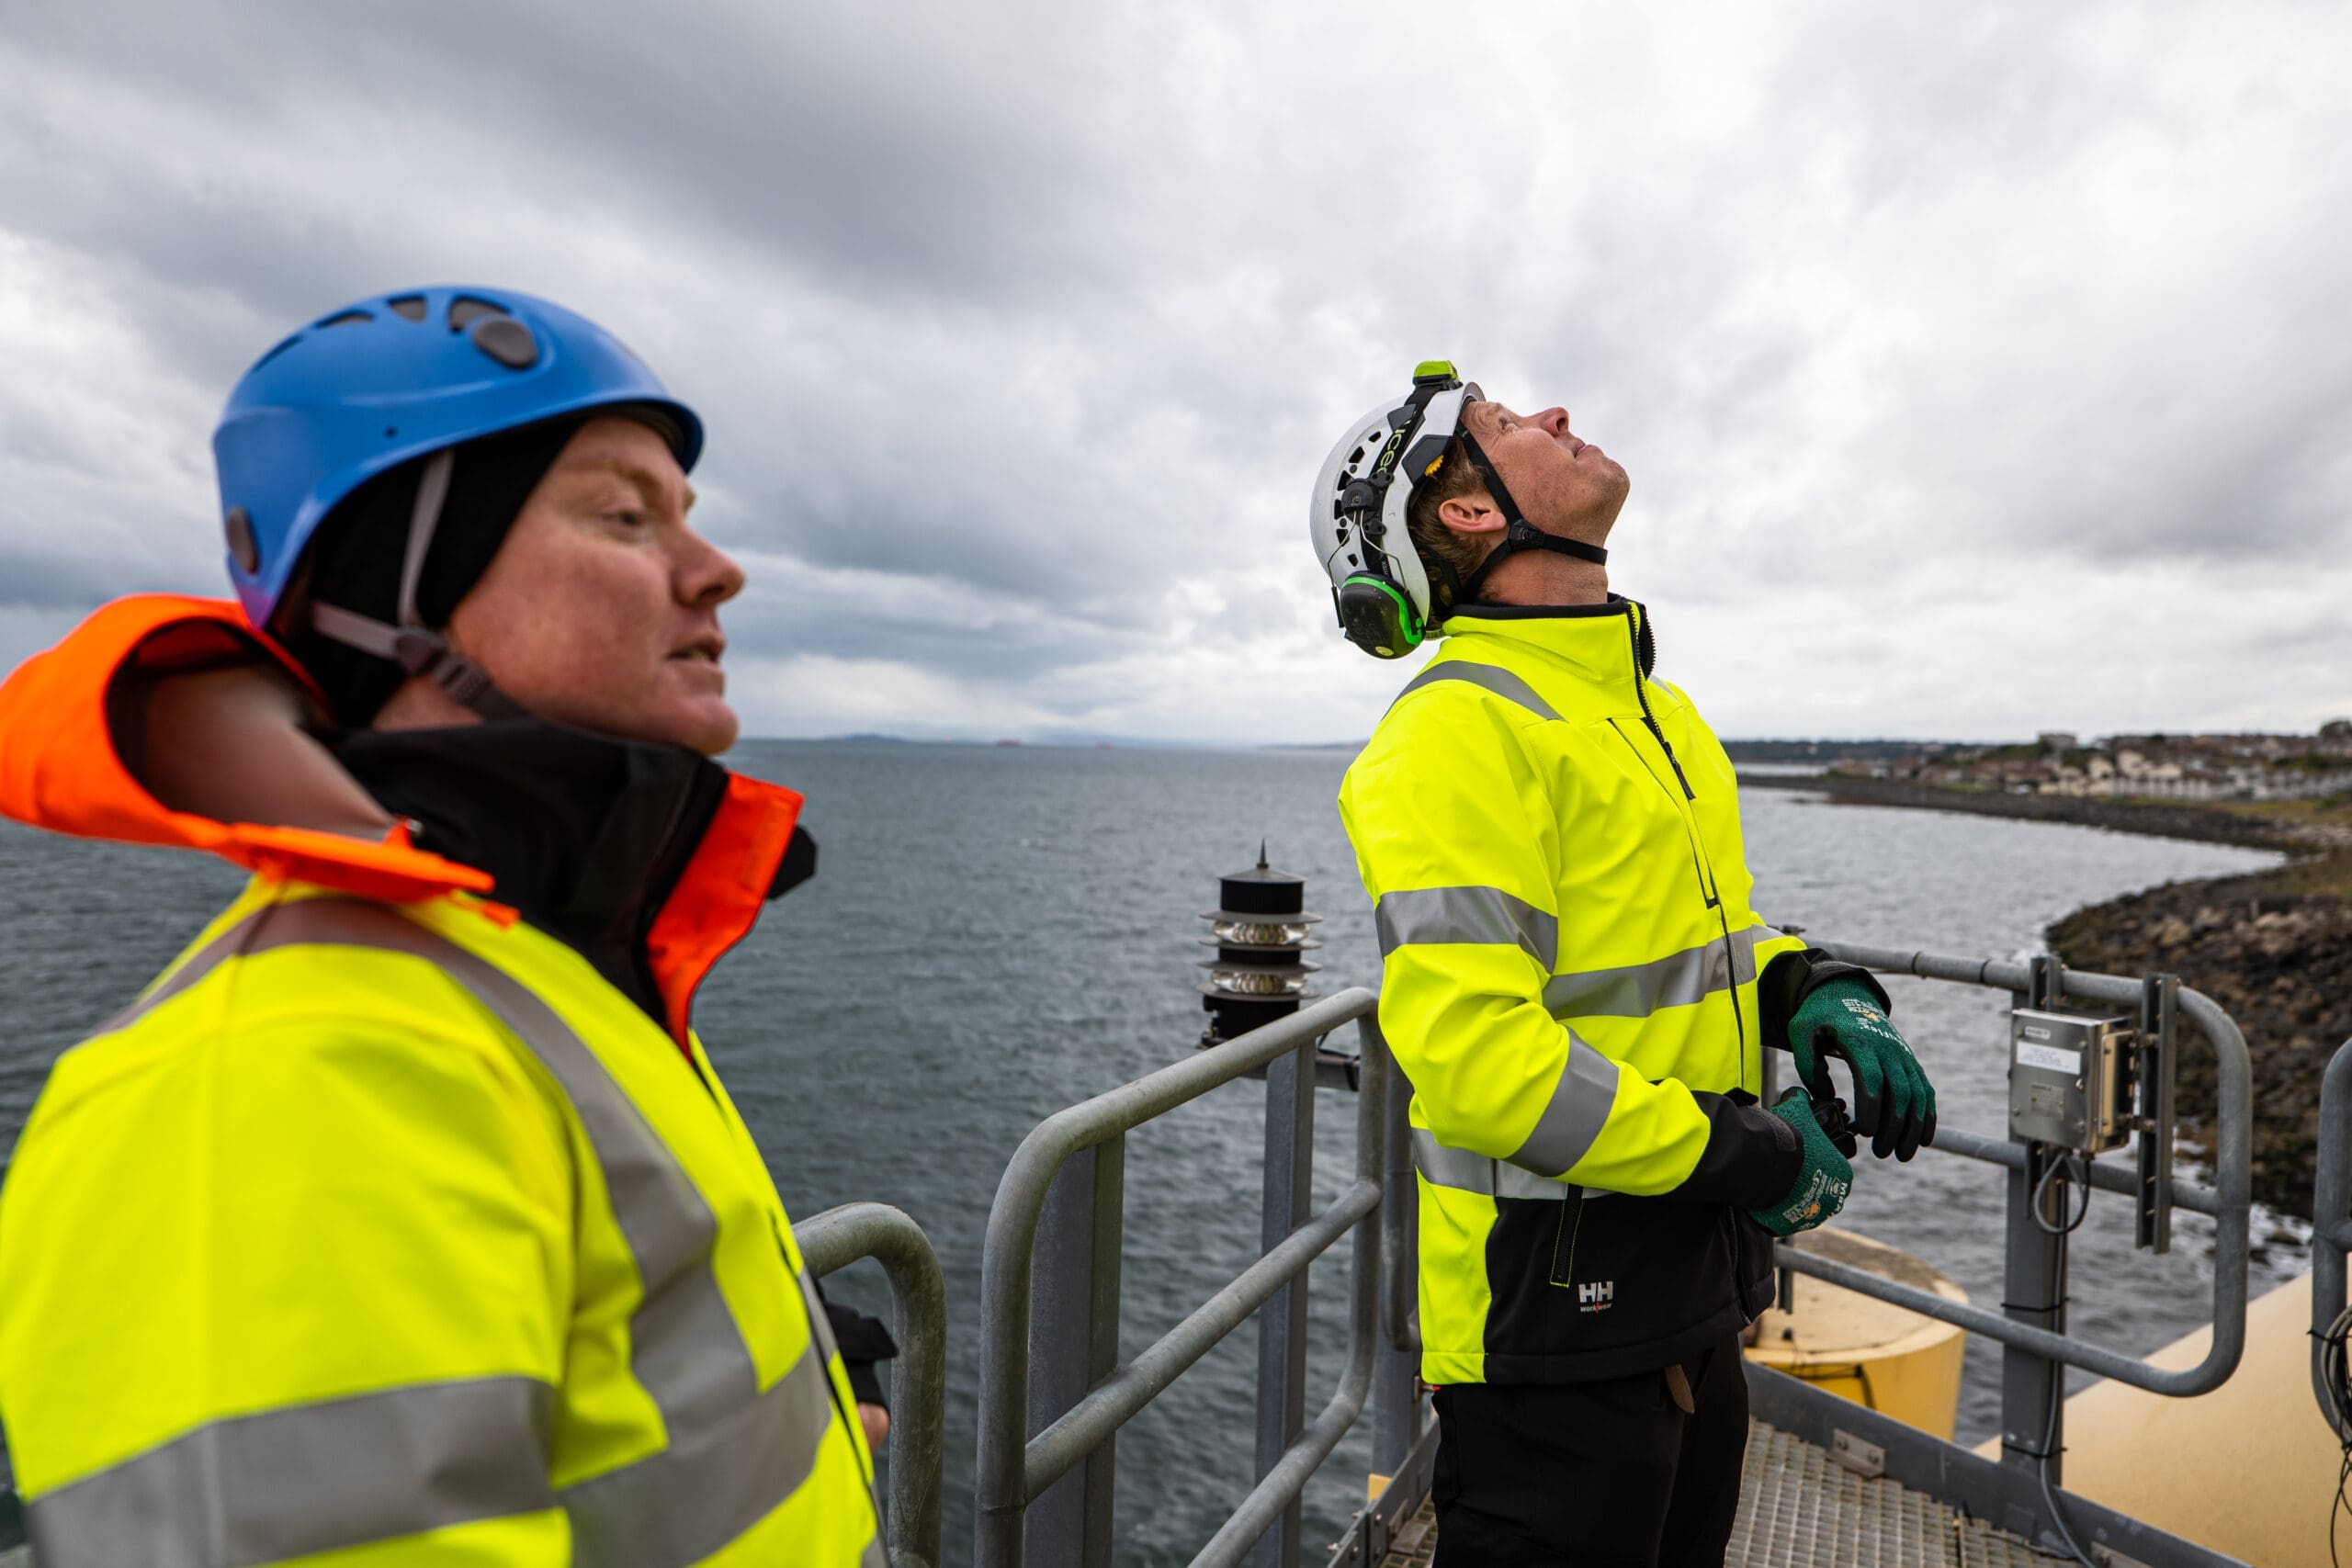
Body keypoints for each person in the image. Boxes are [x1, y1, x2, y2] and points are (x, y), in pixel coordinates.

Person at [0, 286, 890, 1565]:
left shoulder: (532, 961)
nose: (717, 569)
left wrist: (775, 1413)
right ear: (401, 598)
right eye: (625, 515)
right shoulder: (288, 1071)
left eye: (687, 516)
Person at [1312, 362, 1938, 1566]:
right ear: (1467, 511)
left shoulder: (1660, 711)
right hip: (1552, 1327)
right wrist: (1753, 1152)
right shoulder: (1450, 737)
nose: (1552, 415)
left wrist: (1813, 988)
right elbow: (1484, 1068)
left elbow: (1707, 940)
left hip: (1694, 1288)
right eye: (1505, 424)